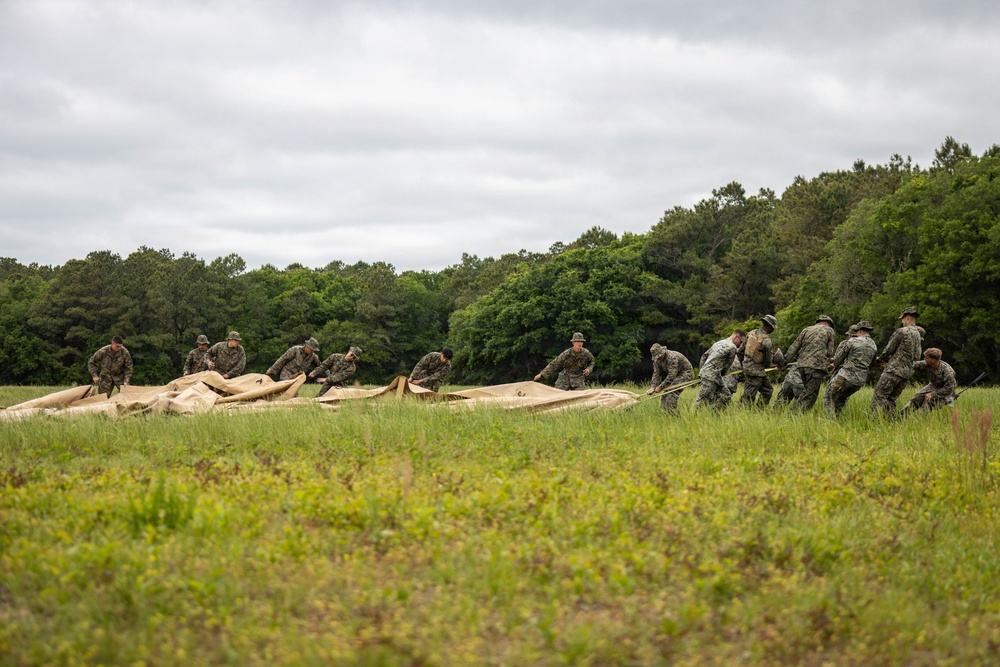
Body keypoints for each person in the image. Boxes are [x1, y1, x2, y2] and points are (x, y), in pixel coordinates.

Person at [773, 315, 836, 412]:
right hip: (816, 368)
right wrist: (827, 361)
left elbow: (793, 348)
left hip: (801, 366)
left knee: (806, 392)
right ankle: (794, 415)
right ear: (829, 324)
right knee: (810, 395)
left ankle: (791, 413)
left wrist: (782, 364)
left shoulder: (806, 330)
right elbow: (829, 352)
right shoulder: (829, 330)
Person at [870, 307, 923, 417]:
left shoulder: (901, 331)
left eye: (902, 319)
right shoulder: (918, 334)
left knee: (879, 395)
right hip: (907, 373)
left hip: (894, 370)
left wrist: (879, 360)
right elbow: (917, 355)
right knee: (891, 399)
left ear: (907, 318)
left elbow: (889, 350)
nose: (902, 322)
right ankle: (890, 421)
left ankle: (873, 421)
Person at [823, 320, 877, 416]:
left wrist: (831, 361)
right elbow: (873, 362)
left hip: (845, 376)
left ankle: (830, 421)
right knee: (842, 398)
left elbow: (837, 360)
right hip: (860, 381)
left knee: (828, 396)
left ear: (860, 331)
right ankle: (837, 416)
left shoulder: (852, 341)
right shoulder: (873, 345)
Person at [694, 329, 746, 411]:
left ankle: (714, 413)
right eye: (741, 342)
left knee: (726, 395)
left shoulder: (718, 343)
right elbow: (727, 365)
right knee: (703, 398)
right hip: (712, 375)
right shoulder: (732, 347)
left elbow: (704, 356)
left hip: (712, 374)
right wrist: (723, 373)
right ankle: (693, 414)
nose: (740, 345)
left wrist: (702, 371)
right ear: (736, 337)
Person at [738, 315, 778, 408]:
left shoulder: (751, 333)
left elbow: (740, 350)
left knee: (768, 390)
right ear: (770, 326)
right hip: (756, 372)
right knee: (749, 395)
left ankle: (759, 411)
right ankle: (741, 413)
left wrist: (742, 365)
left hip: (748, 368)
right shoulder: (766, 341)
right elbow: (767, 362)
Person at [903, 348, 956, 413]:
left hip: (946, 392)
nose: (925, 359)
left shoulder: (948, 371)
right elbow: (913, 364)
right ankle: (900, 417)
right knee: (916, 399)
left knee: (927, 403)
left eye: (927, 358)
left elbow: (949, 389)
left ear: (933, 360)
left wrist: (932, 394)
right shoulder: (926, 364)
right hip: (933, 386)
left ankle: (921, 420)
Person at [646, 343, 694, 412]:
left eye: (659, 355)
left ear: (663, 352)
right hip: (675, 375)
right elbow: (656, 374)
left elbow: (672, 375)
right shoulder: (657, 360)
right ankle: (664, 413)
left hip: (686, 373)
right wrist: (653, 387)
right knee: (665, 393)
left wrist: (661, 387)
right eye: (656, 356)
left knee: (672, 391)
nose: (658, 357)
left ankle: (671, 414)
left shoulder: (672, 357)